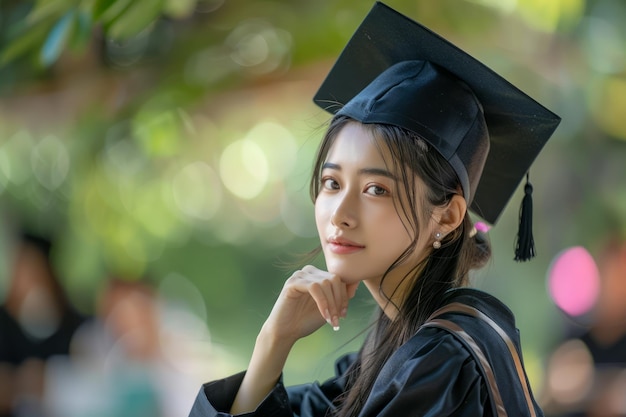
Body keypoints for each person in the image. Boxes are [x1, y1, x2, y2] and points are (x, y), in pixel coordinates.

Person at [189, 3, 561, 417]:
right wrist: (274, 340)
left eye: (375, 189)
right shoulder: (391, 348)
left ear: (449, 216)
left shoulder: (445, 361)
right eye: (332, 183)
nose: (340, 213)